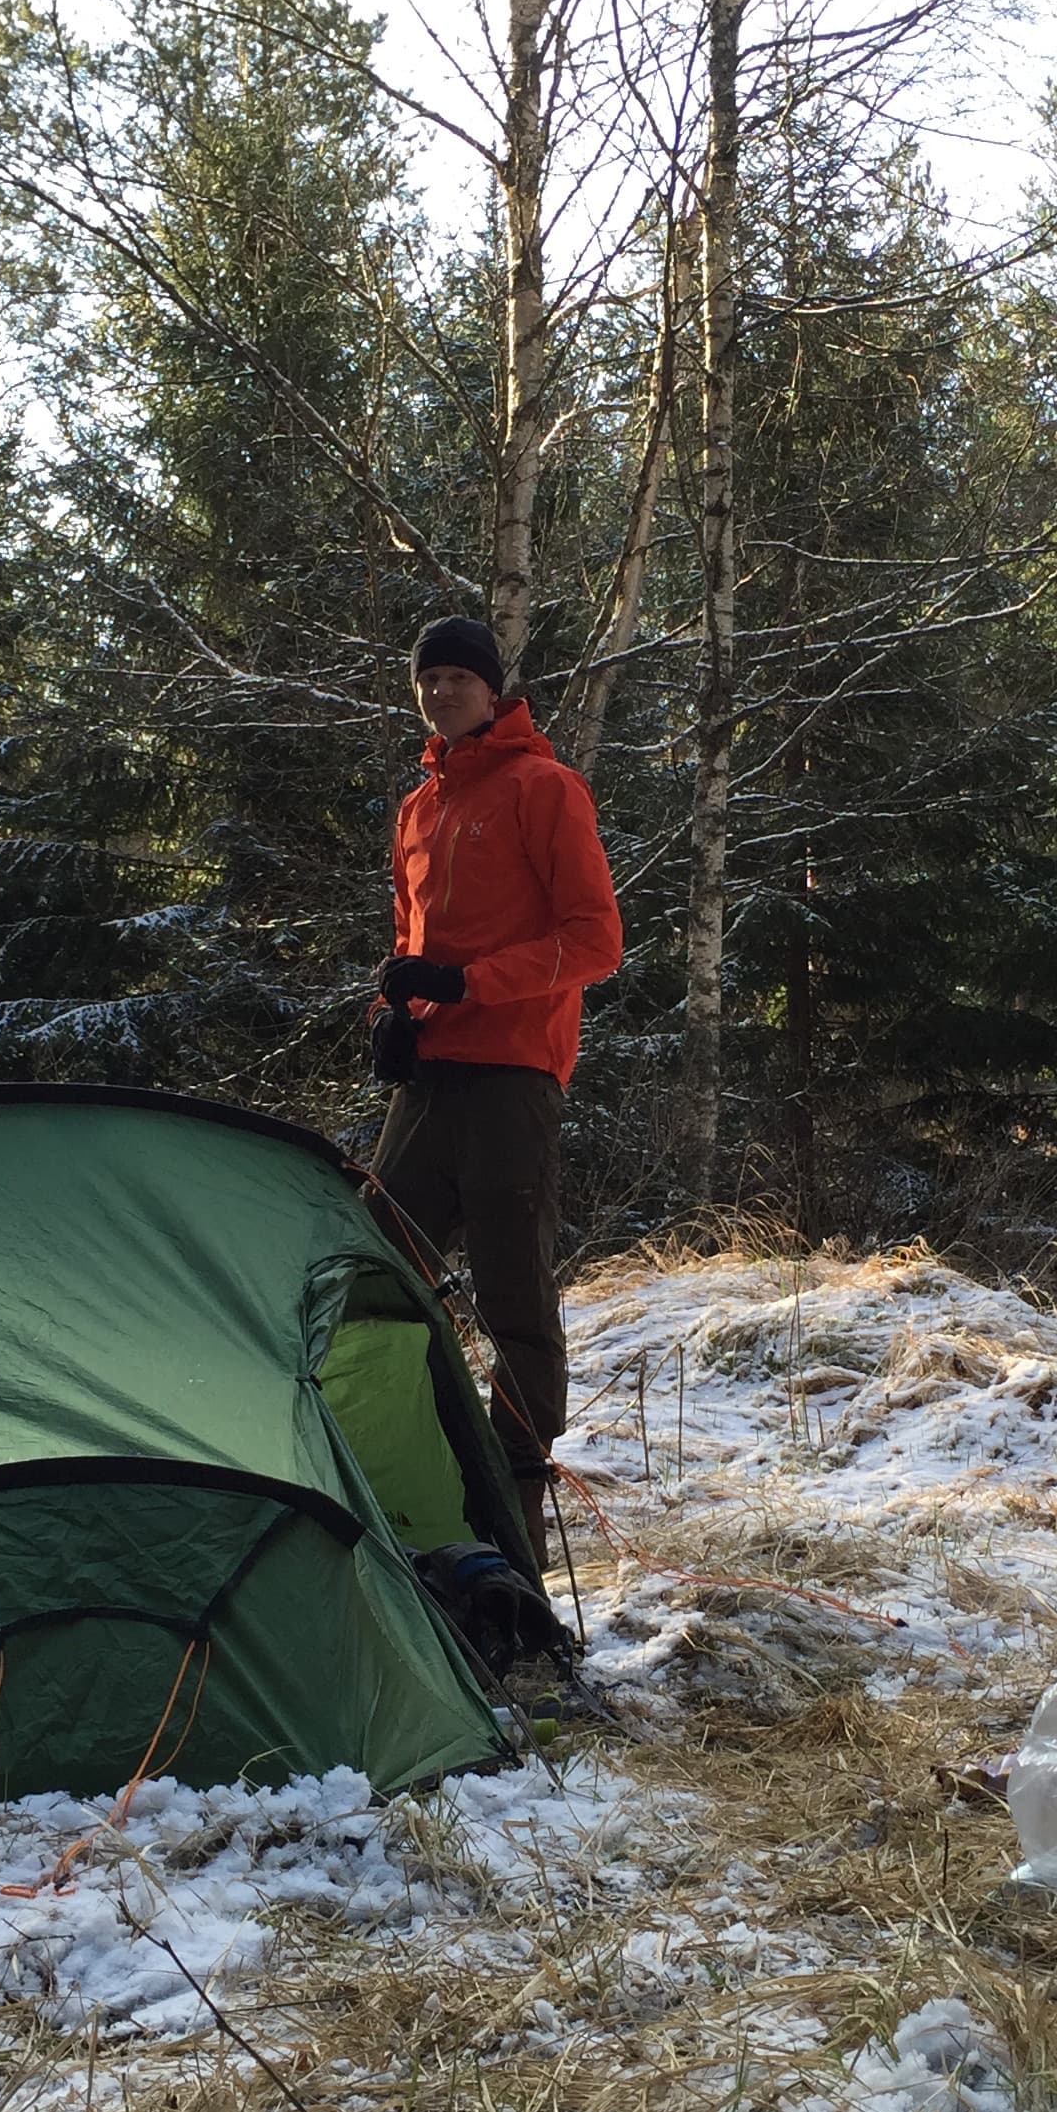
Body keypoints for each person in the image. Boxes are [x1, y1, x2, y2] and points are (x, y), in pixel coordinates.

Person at [370, 615, 623, 1567]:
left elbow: (595, 940)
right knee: (375, 1268)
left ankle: (515, 1520)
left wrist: (467, 985)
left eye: (458, 678)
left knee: (514, 1292)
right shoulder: (418, 807)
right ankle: (401, 1477)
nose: (441, 692)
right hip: (431, 1075)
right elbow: (409, 946)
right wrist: (392, 1015)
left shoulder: (543, 788)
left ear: (492, 689)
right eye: (427, 678)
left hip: (514, 1070)